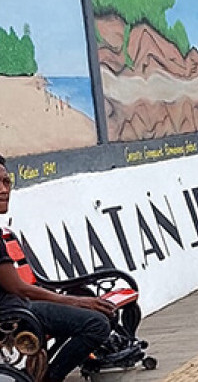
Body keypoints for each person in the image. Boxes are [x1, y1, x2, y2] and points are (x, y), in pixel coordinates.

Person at [0, 155, 114, 381]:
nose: (4, 190)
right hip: (12, 314)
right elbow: (19, 288)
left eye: (6, 182)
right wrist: (78, 301)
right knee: (97, 323)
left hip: (21, 307)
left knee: (101, 314)